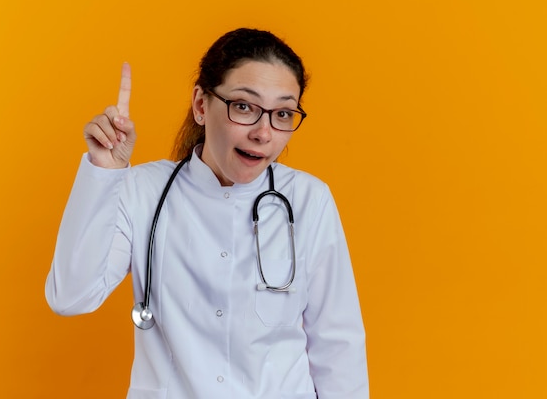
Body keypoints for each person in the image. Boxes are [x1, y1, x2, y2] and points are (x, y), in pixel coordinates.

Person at [45, 28, 369, 399]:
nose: (264, 133)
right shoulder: (142, 190)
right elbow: (70, 297)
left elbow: (338, 348)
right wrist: (103, 173)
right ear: (201, 105)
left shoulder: (309, 200)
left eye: (282, 113)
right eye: (244, 107)